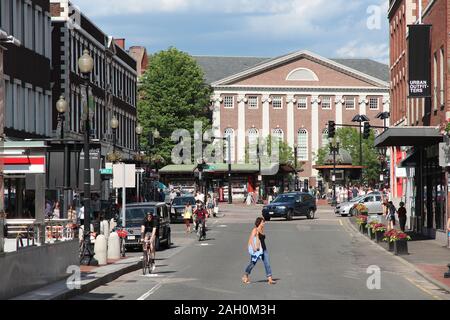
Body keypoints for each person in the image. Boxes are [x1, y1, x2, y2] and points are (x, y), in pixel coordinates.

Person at [242, 217, 276, 285]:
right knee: (252, 264)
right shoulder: (255, 230)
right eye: (263, 222)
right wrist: (254, 248)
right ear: (259, 222)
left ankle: (270, 279)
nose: (264, 223)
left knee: (267, 263)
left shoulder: (262, 229)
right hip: (257, 250)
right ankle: (245, 275)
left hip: (263, 249)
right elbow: (251, 239)